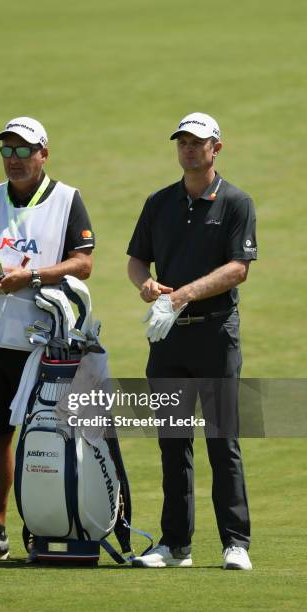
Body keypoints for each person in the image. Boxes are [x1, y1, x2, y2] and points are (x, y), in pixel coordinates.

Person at [0, 116, 95, 560]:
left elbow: (83, 264)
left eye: (23, 150)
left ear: (43, 153)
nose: (14, 159)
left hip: (43, 343)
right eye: (7, 151)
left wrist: (30, 276)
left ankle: (45, 525)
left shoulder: (68, 199)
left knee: (47, 435)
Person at [127, 112, 257, 570]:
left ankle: (235, 543)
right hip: (168, 340)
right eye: (182, 141)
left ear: (216, 147)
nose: (188, 148)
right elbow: (137, 261)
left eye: (197, 141)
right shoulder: (158, 202)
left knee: (223, 440)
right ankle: (174, 545)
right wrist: (145, 285)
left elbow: (237, 269)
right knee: (172, 441)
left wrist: (183, 293)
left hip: (216, 334)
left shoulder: (236, 202)